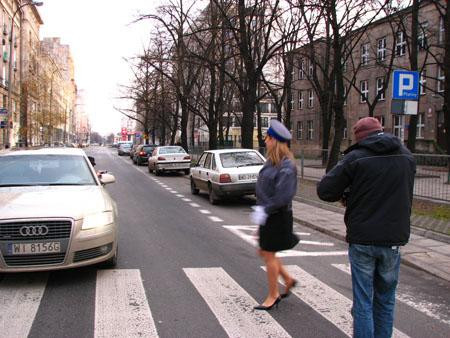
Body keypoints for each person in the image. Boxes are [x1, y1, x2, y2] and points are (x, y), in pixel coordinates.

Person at [317, 117, 416, 337]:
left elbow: (325, 190)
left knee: (363, 301)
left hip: (363, 238)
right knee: (386, 300)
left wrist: (348, 194)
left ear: (360, 137)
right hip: (393, 238)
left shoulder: (356, 157)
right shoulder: (407, 157)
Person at [251, 119, 299, 311]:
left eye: (267, 137)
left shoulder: (286, 167)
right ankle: (288, 279)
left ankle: (273, 295)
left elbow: (282, 197)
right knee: (264, 251)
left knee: (268, 254)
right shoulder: (271, 161)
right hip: (269, 214)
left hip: (277, 216)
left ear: (275, 140)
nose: (265, 140)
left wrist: (263, 211)